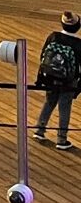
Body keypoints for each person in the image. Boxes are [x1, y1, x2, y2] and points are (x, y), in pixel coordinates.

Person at [34, 12, 81, 151]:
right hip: (68, 80)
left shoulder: (53, 36)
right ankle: (61, 139)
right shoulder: (78, 44)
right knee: (64, 106)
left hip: (50, 76)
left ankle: (39, 130)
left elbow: (43, 55)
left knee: (49, 101)